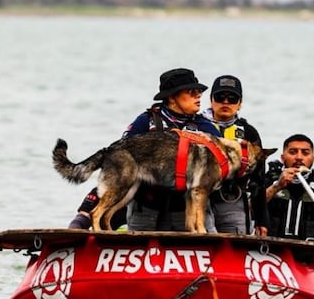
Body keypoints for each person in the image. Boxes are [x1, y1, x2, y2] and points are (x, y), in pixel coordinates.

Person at [67, 68, 219, 231]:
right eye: (192, 91)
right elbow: (120, 165)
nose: (198, 95)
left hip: (187, 212)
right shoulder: (145, 122)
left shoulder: (206, 128)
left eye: (199, 91)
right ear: (172, 97)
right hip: (146, 211)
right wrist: (84, 211)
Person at [201, 75, 270, 235]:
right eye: (220, 97)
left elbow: (259, 179)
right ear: (211, 100)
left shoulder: (249, 132)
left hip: (234, 197)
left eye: (232, 98)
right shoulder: (197, 125)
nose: (225, 102)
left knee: (237, 243)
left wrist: (261, 220)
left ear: (239, 104)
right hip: (201, 197)